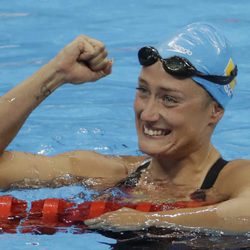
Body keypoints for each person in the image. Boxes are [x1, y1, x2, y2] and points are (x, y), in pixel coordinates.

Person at [0, 22, 249, 233]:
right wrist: (55, 75)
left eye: (169, 99)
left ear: (214, 111)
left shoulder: (232, 179)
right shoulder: (107, 174)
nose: (148, 114)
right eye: (143, 91)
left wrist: (149, 219)